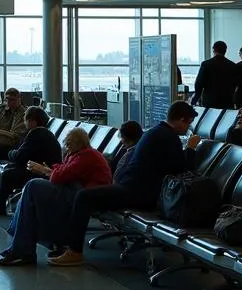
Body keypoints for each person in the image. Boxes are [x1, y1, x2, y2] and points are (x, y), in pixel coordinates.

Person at [62, 101, 200, 264]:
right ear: (181, 120)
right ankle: (74, 252)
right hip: (139, 194)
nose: (188, 128)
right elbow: (182, 170)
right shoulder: (169, 138)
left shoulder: (155, 132)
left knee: (83, 196)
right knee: (83, 196)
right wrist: (190, 149)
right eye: (188, 123)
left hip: (133, 190)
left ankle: (73, 249)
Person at [0, 127, 112, 268]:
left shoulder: (87, 156)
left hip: (85, 197)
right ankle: (21, 250)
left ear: (76, 143)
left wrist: (44, 170)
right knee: (32, 190)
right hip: (77, 192)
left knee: (32, 186)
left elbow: (60, 176)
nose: (66, 148)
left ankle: (21, 250)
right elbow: (64, 171)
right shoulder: (82, 154)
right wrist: (50, 170)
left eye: (69, 144)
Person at [0, 106, 62, 216]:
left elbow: (19, 155)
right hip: (45, 170)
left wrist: (10, 153)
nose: (24, 123)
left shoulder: (36, 134)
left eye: (26, 120)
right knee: (10, 169)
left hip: (44, 173)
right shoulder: (45, 134)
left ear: (32, 122)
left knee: (8, 174)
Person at [192, 40, 238, 109]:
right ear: (225, 51)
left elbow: (199, 83)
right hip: (227, 101)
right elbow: (236, 83)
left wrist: (195, 98)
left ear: (213, 50)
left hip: (210, 101)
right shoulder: (233, 65)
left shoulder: (206, 64)